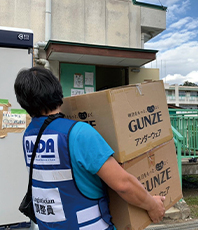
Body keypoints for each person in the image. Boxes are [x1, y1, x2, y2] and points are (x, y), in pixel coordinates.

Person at [14, 67, 165, 230]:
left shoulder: (29, 135)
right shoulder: (78, 133)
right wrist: (152, 205)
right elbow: (123, 184)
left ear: (23, 102)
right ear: (58, 93)